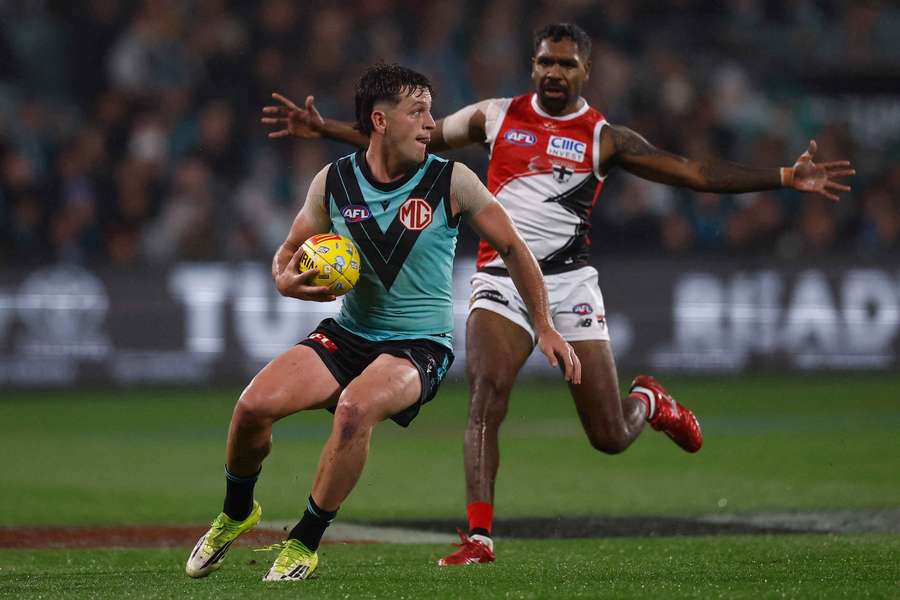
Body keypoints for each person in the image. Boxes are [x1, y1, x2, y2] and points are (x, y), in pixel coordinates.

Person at [260, 23, 855, 567]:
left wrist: (782, 177)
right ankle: (478, 537)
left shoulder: (602, 138)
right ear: (533, 64)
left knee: (610, 435)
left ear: (584, 73)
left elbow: (693, 172)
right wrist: (331, 130)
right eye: (546, 62)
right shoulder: (493, 116)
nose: (554, 73)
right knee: (486, 396)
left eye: (567, 65)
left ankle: (648, 401)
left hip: (569, 285)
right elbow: (410, 138)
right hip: (500, 277)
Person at [185, 63, 579, 582]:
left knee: (353, 411)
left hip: (419, 347)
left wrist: (545, 325)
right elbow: (287, 251)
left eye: (431, 112)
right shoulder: (335, 182)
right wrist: (284, 280)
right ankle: (237, 513)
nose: (429, 124)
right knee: (252, 407)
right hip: (349, 334)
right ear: (380, 120)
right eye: (417, 112)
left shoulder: (450, 180)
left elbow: (514, 248)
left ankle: (304, 541)